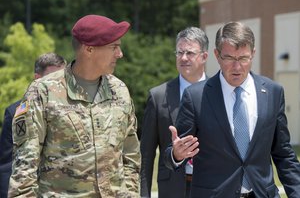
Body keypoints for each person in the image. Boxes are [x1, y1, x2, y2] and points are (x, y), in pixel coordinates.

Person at [8, 15, 140, 198]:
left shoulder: (119, 90)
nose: (120, 54)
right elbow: (25, 165)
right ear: (89, 49)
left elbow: (130, 156)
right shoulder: (43, 92)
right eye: (114, 47)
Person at [165, 21, 300, 198]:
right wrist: (176, 154)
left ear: (253, 54)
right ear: (217, 55)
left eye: (243, 58)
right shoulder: (196, 96)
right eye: (229, 58)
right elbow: (173, 153)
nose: (236, 67)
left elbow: (283, 154)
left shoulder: (273, 93)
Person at [140, 27, 209, 198]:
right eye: (179, 52)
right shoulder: (158, 96)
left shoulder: (220, 93)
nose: (183, 58)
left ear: (204, 56)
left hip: (212, 188)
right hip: (173, 189)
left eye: (190, 53)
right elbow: (145, 158)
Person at [0, 52, 66, 198]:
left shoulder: (77, 111)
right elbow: (7, 165)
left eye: (63, 79)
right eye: (52, 79)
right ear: (37, 79)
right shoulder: (16, 113)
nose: (59, 85)